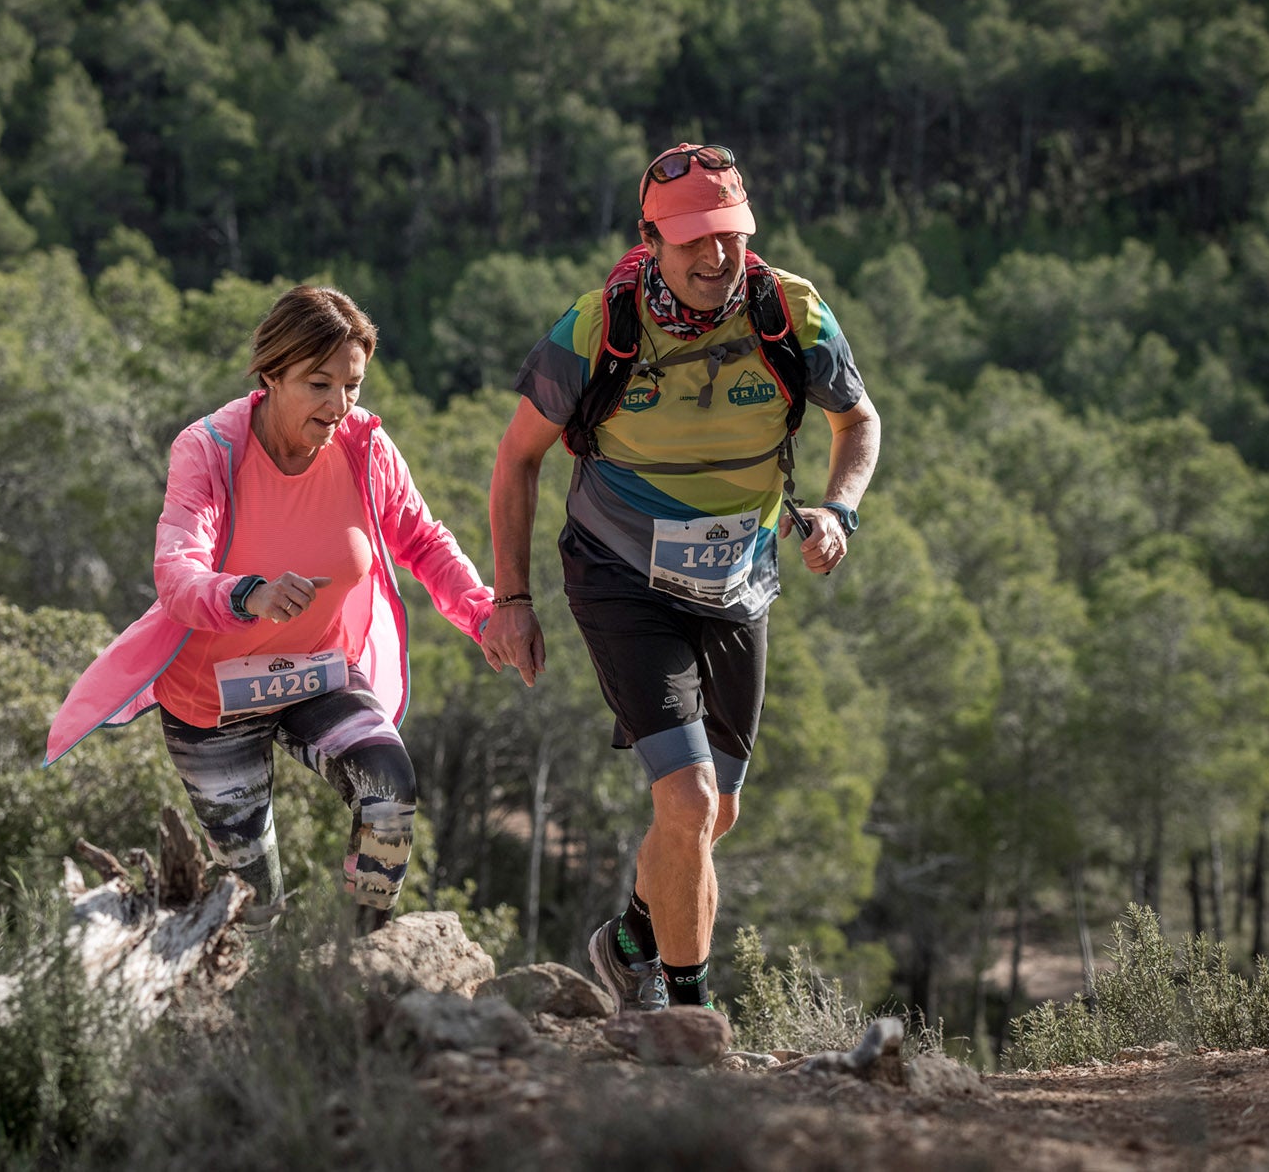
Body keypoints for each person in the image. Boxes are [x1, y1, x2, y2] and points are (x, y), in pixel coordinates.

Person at [484, 143, 881, 1010]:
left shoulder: (792, 315)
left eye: (730, 235)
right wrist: (510, 600)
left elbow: (858, 420)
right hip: (620, 574)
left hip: (738, 582)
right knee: (690, 796)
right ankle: (687, 1013)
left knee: (711, 816)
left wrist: (839, 509)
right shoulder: (596, 329)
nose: (716, 257)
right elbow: (516, 461)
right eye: (694, 239)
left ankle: (629, 939)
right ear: (652, 238)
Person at [45, 285, 496, 934]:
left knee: (389, 792)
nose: (339, 404)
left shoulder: (364, 447)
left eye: (352, 385)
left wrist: (482, 613)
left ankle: (362, 946)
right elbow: (176, 572)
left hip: (318, 674)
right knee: (256, 906)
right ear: (271, 373)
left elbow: (422, 539)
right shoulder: (209, 450)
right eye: (319, 383)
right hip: (212, 700)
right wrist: (246, 592)